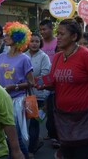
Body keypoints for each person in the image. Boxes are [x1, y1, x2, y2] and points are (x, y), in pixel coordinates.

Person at [41, 18, 88, 159]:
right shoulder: (57, 57)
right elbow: (54, 81)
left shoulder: (86, 56)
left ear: (74, 37)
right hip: (63, 118)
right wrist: (39, 83)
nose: (58, 37)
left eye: (62, 34)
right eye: (57, 34)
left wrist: (87, 87)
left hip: (84, 119)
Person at [0, 21, 34, 159]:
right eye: (4, 35)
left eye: (7, 36)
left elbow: (31, 82)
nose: (4, 38)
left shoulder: (24, 59)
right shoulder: (0, 57)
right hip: (2, 100)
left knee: (14, 135)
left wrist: (15, 87)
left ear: (17, 38)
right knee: (5, 134)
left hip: (18, 101)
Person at [25, 33, 51, 158]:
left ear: (40, 43)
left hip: (39, 95)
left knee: (34, 123)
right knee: (25, 123)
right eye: (32, 41)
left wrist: (31, 81)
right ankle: (34, 142)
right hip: (23, 94)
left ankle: (31, 150)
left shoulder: (44, 57)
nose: (34, 43)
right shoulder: (23, 56)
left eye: (36, 41)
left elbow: (46, 77)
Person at [39, 19, 59, 148]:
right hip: (43, 79)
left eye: (44, 29)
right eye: (41, 30)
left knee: (54, 108)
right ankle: (50, 132)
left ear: (51, 28)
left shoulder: (58, 41)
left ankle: (56, 135)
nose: (42, 32)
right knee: (44, 107)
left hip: (56, 79)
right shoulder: (39, 43)